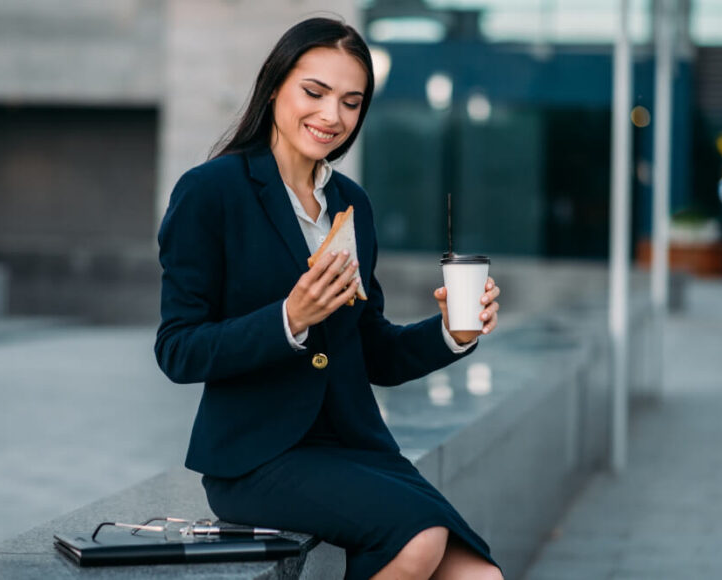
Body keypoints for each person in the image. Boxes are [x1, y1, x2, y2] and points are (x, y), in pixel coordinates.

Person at [155, 17, 503, 580]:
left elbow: (374, 351)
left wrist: (452, 334)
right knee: (420, 540)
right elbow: (178, 350)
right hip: (256, 457)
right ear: (275, 87)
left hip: (354, 445)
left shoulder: (352, 204)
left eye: (350, 102)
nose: (331, 116)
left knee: (479, 577)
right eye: (314, 92)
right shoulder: (210, 192)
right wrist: (290, 319)